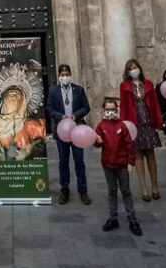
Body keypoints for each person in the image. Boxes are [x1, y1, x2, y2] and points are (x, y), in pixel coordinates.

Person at [94, 98, 142, 236]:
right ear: (103, 110)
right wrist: (97, 141)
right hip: (108, 164)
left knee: (126, 191)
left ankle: (132, 219)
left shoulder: (122, 125)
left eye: (112, 109)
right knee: (112, 191)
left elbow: (129, 145)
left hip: (121, 164)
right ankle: (113, 217)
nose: (110, 112)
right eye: (107, 109)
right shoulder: (101, 126)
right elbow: (98, 144)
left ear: (117, 110)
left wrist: (130, 162)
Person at [46, 64, 91, 205]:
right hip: (62, 131)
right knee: (63, 162)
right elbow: (49, 108)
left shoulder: (79, 90)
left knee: (79, 162)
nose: (65, 77)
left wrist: (75, 116)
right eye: (62, 74)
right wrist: (61, 116)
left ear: (70, 75)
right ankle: (64, 191)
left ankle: (83, 191)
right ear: (59, 76)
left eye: (67, 74)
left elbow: (86, 107)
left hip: (77, 131)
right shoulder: (53, 91)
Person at [119, 59, 163, 202]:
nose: (134, 70)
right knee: (137, 156)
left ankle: (154, 186)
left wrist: (158, 121)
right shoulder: (125, 86)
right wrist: (124, 126)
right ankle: (143, 187)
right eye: (131, 68)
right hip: (134, 124)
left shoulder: (148, 84)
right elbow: (124, 106)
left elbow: (155, 103)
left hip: (148, 123)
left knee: (150, 154)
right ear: (128, 71)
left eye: (136, 67)